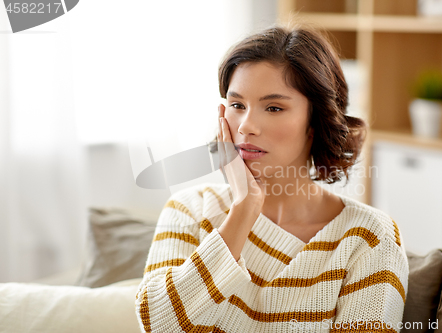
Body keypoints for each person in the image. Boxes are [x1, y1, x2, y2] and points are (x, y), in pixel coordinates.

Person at [135, 24, 409, 333]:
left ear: (315, 121)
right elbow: (159, 325)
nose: (246, 126)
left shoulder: (369, 238)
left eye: (274, 107)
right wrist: (244, 210)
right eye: (237, 105)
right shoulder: (189, 211)